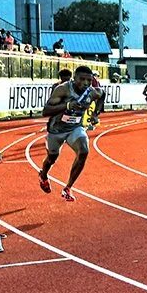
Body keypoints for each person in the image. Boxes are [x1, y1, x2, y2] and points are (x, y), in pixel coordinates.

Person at [39, 65, 105, 202]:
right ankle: (43, 175)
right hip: (56, 130)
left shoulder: (92, 92)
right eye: (82, 79)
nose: (86, 83)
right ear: (75, 78)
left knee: (84, 151)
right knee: (52, 158)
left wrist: (95, 113)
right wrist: (67, 106)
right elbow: (46, 111)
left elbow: (102, 94)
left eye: (89, 80)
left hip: (74, 128)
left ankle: (68, 188)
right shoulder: (63, 89)